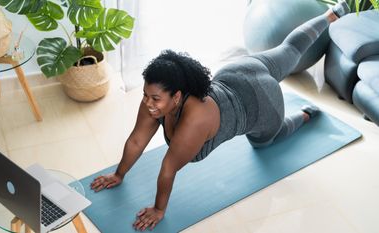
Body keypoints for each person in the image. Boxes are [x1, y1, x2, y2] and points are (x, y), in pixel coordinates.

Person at [90, 1, 350, 231]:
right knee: (288, 50)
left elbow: (168, 168)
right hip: (238, 72)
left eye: (155, 98)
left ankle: (305, 114)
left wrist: (159, 210)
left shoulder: (195, 119)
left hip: (261, 103)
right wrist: (119, 174)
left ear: (177, 96)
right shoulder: (156, 100)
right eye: (146, 95)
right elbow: (137, 140)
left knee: (266, 141)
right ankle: (332, 14)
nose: (148, 103)